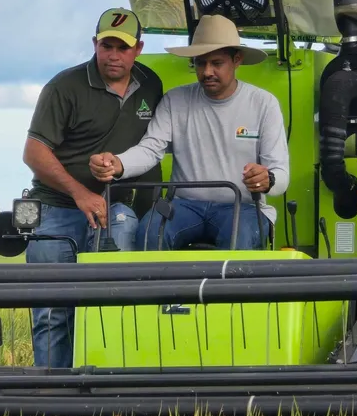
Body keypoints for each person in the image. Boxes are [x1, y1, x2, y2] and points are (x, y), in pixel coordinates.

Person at [23, 7, 163, 367]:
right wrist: (79, 192)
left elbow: (153, 149)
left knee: (113, 304)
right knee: (53, 312)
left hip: (114, 208)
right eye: (106, 45)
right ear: (94, 44)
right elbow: (34, 153)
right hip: (57, 209)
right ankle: (52, 401)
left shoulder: (151, 85)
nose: (113, 55)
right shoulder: (63, 87)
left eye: (123, 47)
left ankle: (111, 393)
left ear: (139, 48)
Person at [89, 13, 289, 251]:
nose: (207, 72)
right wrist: (117, 163)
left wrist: (267, 179)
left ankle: (225, 290)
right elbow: (151, 149)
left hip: (242, 205)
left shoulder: (264, 103)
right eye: (200, 63)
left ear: (237, 60)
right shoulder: (176, 99)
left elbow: (280, 175)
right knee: (150, 232)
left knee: (239, 236)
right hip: (184, 205)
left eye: (216, 63)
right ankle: (163, 290)